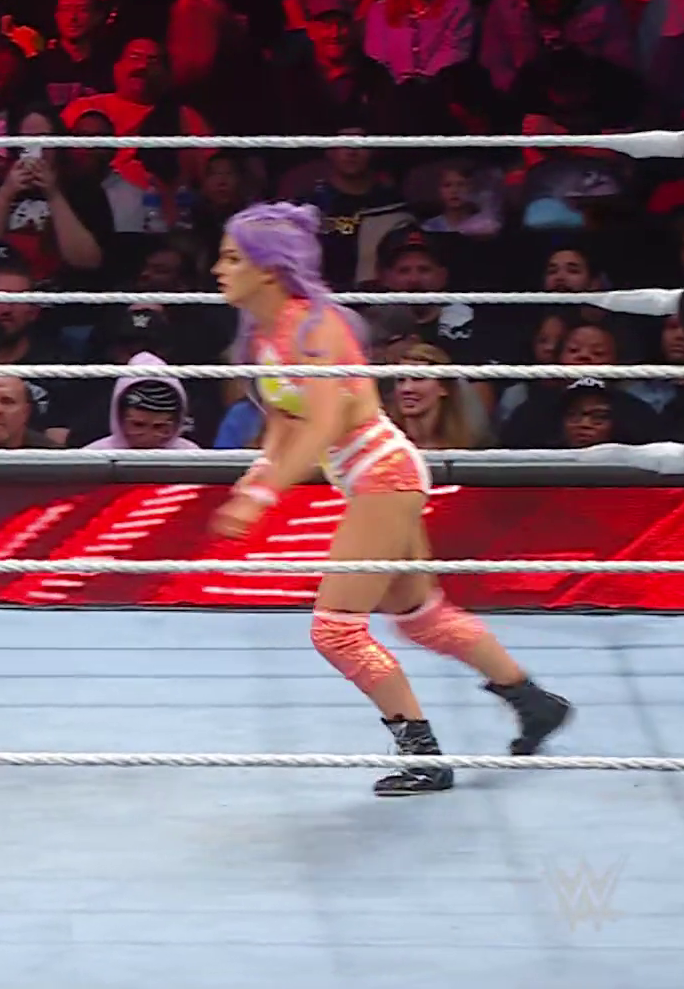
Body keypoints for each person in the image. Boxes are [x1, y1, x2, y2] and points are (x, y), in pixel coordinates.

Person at [206, 202, 571, 797]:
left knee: (336, 631)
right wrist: (256, 477)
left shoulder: (315, 330)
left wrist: (264, 495)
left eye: (230, 258)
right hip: (368, 478)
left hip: (384, 475)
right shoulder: (264, 336)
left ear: (268, 269)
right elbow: (283, 420)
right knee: (422, 619)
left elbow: (324, 423)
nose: (217, 270)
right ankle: (533, 702)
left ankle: (423, 755)